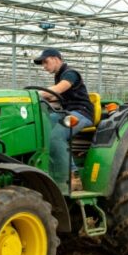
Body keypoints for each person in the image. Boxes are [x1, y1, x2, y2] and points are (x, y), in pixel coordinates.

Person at [33, 48, 94, 194]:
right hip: (66, 113)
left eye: (46, 62)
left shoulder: (70, 74)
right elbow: (55, 97)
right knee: (41, 126)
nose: (45, 66)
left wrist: (34, 94)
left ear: (56, 58)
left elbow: (59, 89)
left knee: (56, 136)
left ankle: (73, 176)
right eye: (42, 64)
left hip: (81, 113)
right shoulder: (59, 76)